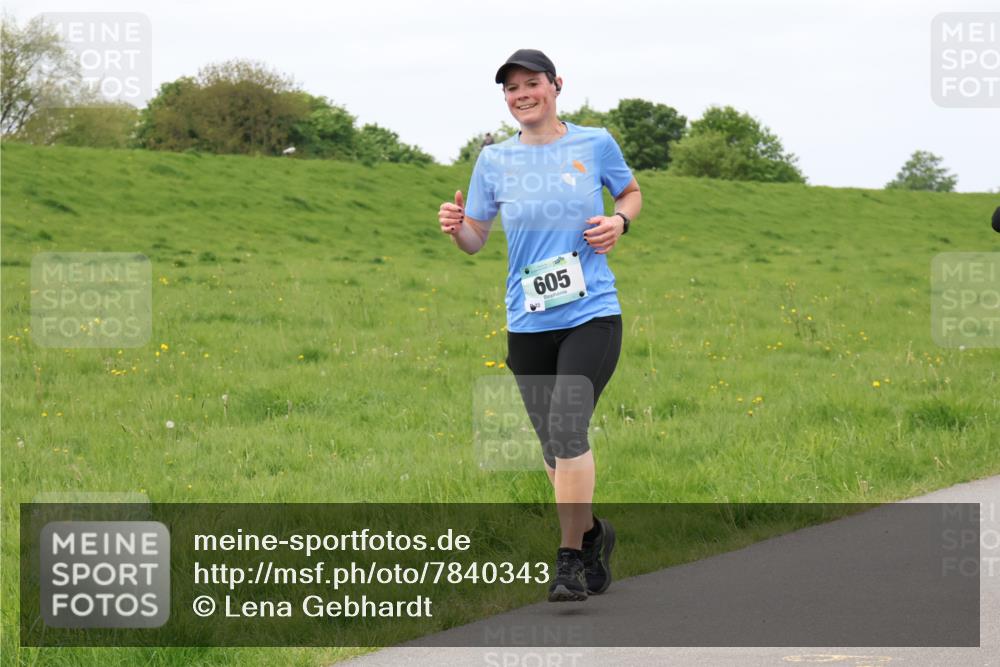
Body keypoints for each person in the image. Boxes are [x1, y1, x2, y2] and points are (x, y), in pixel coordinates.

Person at [437, 49, 641, 602]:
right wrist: (457, 229)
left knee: (568, 429)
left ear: (556, 85)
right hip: (527, 320)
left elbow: (630, 191)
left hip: (590, 313)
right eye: (511, 89)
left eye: (531, 84)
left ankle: (570, 560)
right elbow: (476, 239)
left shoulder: (594, 142)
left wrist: (618, 221)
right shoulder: (494, 160)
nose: (521, 94)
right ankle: (595, 533)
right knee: (552, 449)